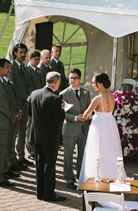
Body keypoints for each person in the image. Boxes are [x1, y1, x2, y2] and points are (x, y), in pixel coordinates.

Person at [78, 73, 126, 184]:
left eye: (94, 82)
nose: (93, 84)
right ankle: (113, 173)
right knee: (111, 149)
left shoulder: (98, 98)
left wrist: (84, 116)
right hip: (110, 123)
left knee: (98, 150)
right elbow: (106, 112)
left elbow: (85, 114)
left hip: (100, 126)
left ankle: (99, 176)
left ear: (100, 84)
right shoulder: (111, 96)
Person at [29, 71, 66, 201]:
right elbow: (59, 118)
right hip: (49, 137)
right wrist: (62, 109)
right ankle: (49, 193)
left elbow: (30, 113)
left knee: (39, 164)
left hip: (36, 135)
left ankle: (40, 192)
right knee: (49, 164)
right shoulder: (54, 98)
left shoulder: (34, 94)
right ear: (56, 82)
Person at [0, 58, 19, 187]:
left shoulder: (0, 82)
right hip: (1, 122)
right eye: (7, 67)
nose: (9, 70)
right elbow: (3, 106)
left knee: (0, 148)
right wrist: (12, 116)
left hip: (2, 121)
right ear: (0, 69)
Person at [60, 68, 91, 190]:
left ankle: (81, 177)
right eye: (71, 78)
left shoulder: (86, 92)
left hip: (84, 129)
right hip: (70, 129)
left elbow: (89, 108)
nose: (73, 80)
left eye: (75, 78)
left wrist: (88, 116)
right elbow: (63, 114)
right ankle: (69, 179)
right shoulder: (64, 94)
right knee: (68, 155)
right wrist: (76, 118)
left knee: (82, 155)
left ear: (80, 79)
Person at [9, 43, 34, 169]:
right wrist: (26, 97)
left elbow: (29, 84)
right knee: (14, 133)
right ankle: (13, 159)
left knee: (23, 131)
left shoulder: (24, 67)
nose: (23, 55)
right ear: (15, 53)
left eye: (24, 52)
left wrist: (28, 97)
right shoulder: (11, 67)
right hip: (17, 105)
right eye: (20, 52)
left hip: (25, 104)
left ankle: (21, 157)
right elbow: (13, 87)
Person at [25, 50, 44, 160]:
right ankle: (30, 150)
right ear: (30, 59)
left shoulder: (39, 70)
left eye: (38, 59)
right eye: (35, 59)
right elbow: (29, 86)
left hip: (40, 101)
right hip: (32, 102)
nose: (37, 61)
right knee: (30, 127)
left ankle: (36, 149)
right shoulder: (28, 71)